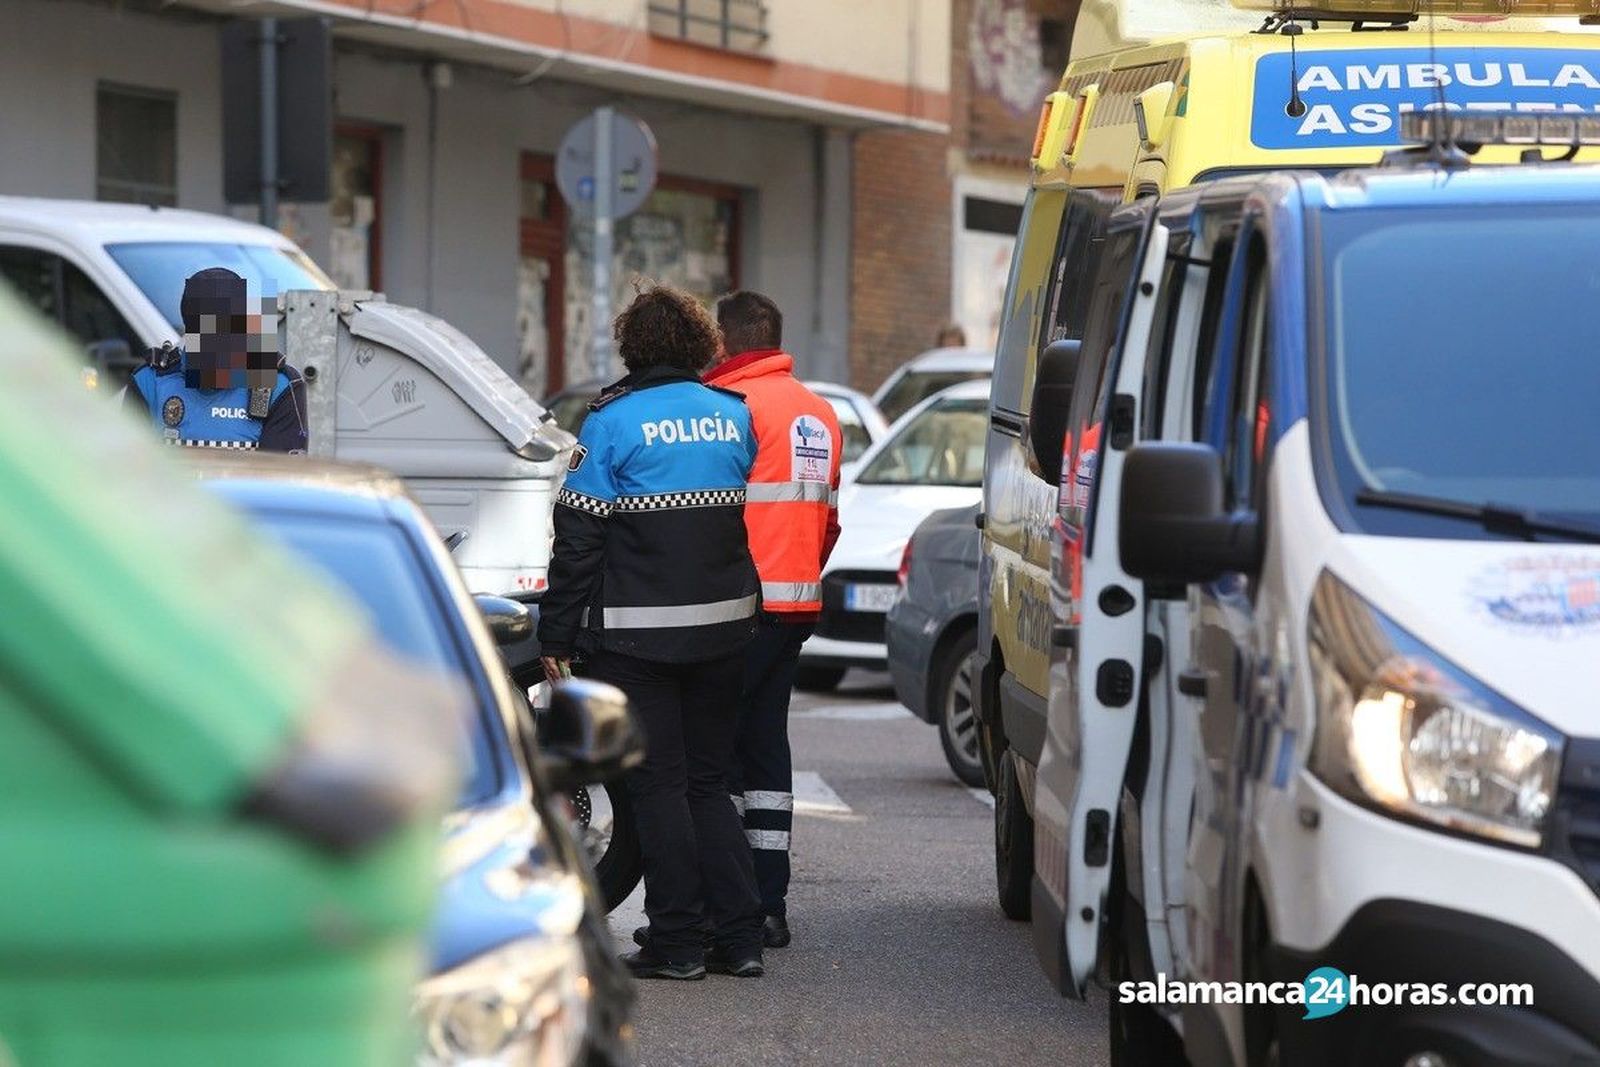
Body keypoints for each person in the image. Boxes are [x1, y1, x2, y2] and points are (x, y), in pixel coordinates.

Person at [538, 283, 766, 981]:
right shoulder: (734, 416)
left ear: (632, 345)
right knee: (708, 782)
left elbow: (578, 540)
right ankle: (740, 938)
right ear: (699, 342)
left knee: (659, 787)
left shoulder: (613, 422)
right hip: (727, 631)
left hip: (639, 640)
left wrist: (557, 633)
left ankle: (676, 943)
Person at [702, 290, 843, 949]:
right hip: (796, 608)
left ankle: (728, 907)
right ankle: (768, 903)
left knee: (718, 755)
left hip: (738, 609)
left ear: (726, 344)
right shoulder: (820, 414)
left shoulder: (733, 409)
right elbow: (829, 521)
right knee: (765, 752)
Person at [123, 268, 308, 452]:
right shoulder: (150, 381)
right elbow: (126, 472)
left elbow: (280, 477)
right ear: (189, 329)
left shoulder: (278, 387)